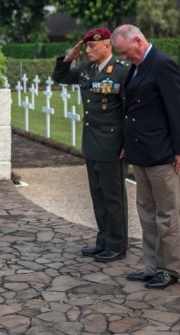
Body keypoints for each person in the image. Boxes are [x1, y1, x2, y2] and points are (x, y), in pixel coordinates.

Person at [110, 24, 180, 289]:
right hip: (141, 152)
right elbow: (130, 111)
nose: (124, 58)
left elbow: (179, 109)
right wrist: (126, 144)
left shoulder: (164, 64)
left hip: (163, 155)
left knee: (167, 215)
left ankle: (170, 269)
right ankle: (151, 267)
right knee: (146, 213)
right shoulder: (136, 68)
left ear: (138, 40)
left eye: (125, 52)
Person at [52, 28, 129, 263]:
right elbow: (61, 77)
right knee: (98, 195)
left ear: (107, 46)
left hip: (112, 143)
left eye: (92, 46)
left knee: (113, 196)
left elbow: (129, 110)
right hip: (92, 141)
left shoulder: (121, 72)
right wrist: (68, 58)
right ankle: (104, 240)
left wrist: (126, 143)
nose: (88, 50)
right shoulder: (87, 70)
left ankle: (117, 244)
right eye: (86, 46)